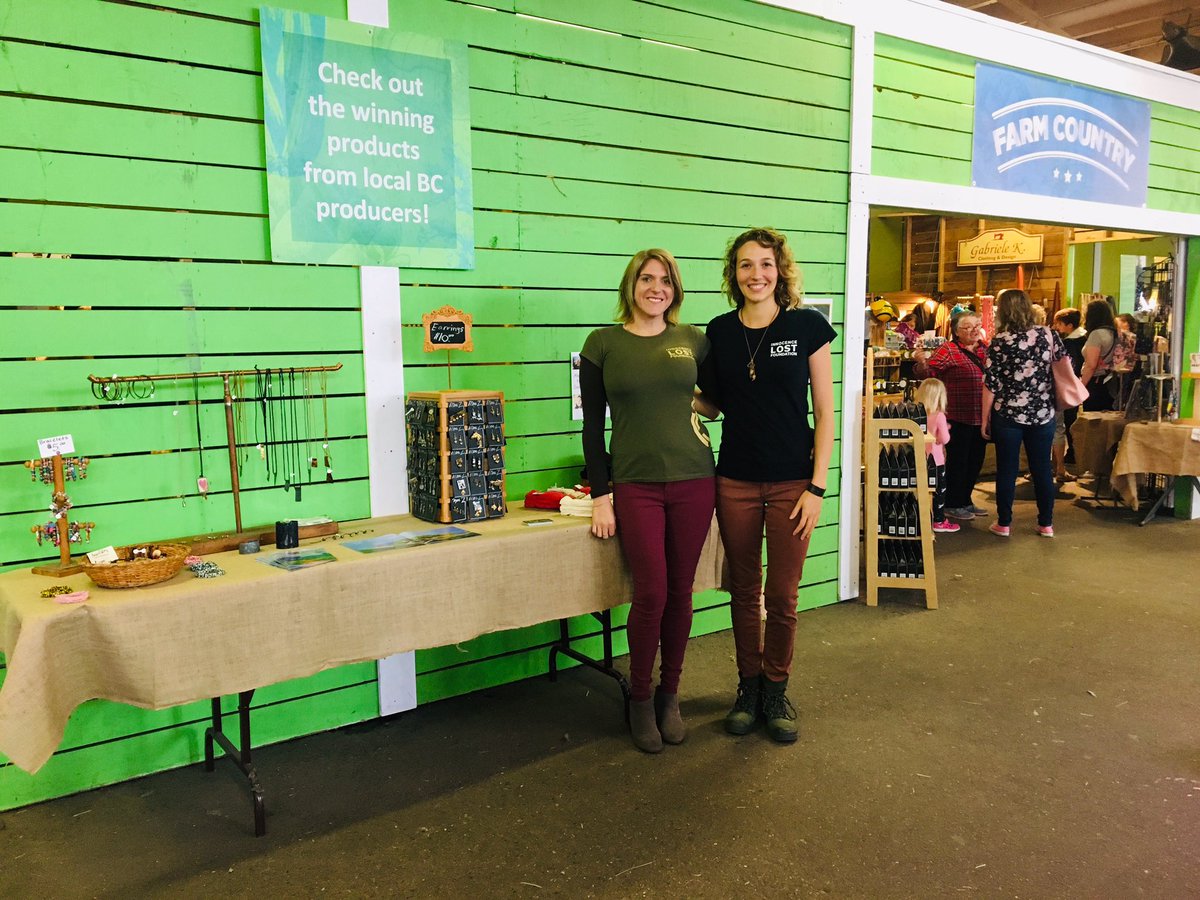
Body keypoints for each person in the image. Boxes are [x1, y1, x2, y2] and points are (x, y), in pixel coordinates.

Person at [697, 227, 835, 744]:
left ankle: (776, 689)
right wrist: (663, 395)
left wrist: (817, 487)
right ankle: (747, 688)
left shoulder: (806, 327)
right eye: (745, 265)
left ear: (781, 270)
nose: (756, 274)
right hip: (733, 480)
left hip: (793, 483)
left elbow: (825, 412)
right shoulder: (718, 331)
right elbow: (712, 403)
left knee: (782, 595)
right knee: (742, 591)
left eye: (765, 264)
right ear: (733, 274)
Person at [579, 249, 716, 754]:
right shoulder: (603, 344)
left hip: (696, 478)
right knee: (651, 593)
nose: (655, 287)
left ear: (675, 289)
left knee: (681, 593)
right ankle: (638, 697)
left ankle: (669, 695)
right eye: (646, 278)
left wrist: (692, 404)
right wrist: (601, 495)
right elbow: (593, 426)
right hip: (635, 485)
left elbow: (718, 401)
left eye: (665, 280)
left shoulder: (693, 341)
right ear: (631, 285)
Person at [981, 288, 1067, 538]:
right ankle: (1046, 524)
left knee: (1007, 469)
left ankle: (1004, 523)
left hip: (1007, 414)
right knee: (1042, 468)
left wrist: (985, 417)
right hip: (1042, 412)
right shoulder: (1049, 335)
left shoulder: (999, 341)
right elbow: (1064, 365)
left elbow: (991, 383)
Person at [912, 310, 989, 521]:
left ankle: (966, 499)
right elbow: (929, 374)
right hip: (957, 414)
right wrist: (921, 364)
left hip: (981, 415)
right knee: (958, 461)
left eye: (977, 325)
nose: (974, 330)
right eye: (967, 327)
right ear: (956, 331)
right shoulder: (948, 350)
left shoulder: (986, 350)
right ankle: (953, 503)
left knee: (975, 460)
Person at [914, 378, 957, 533]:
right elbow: (945, 439)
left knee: (922, 489)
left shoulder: (917, 414)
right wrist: (945, 429)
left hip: (919, 457)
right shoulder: (939, 416)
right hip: (936, 460)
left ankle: (921, 517)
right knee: (939, 489)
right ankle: (939, 520)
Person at [1050, 308, 1086, 481]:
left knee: (1056, 428)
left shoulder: (1069, 343)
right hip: (1068, 387)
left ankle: (1056, 468)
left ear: (1069, 325)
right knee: (1060, 427)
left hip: (1058, 388)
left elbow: (1067, 366)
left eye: (1059, 323)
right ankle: (1059, 468)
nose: (1056, 327)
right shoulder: (1083, 338)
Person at [1080, 299, 1118, 411]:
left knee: (1092, 422)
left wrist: (1081, 386)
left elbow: (1091, 365)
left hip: (1096, 382)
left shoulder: (1096, 334)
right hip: (1109, 382)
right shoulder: (1113, 332)